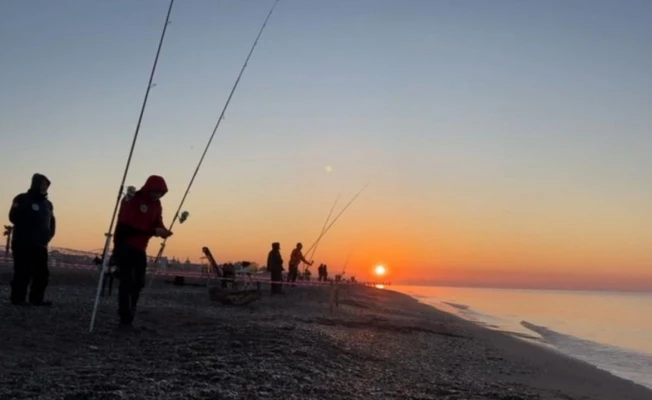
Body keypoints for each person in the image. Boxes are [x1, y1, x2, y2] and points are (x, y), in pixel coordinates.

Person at [112, 175, 172, 328]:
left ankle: (131, 312)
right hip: (125, 245)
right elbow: (128, 222)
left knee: (138, 283)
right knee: (127, 282)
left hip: (140, 249)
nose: (157, 195)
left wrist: (164, 231)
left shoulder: (157, 204)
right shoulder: (133, 199)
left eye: (160, 193)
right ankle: (124, 318)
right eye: (155, 191)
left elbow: (158, 221)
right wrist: (154, 231)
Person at [8, 173, 56, 306]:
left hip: (41, 245)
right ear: (35, 184)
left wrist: (48, 236)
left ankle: (37, 299)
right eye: (42, 184)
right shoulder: (22, 198)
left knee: (42, 274)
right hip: (23, 243)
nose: (44, 187)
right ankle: (18, 299)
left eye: (46, 185)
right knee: (22, 272)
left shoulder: (48, 205)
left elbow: (52, 222)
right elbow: (13, 217)